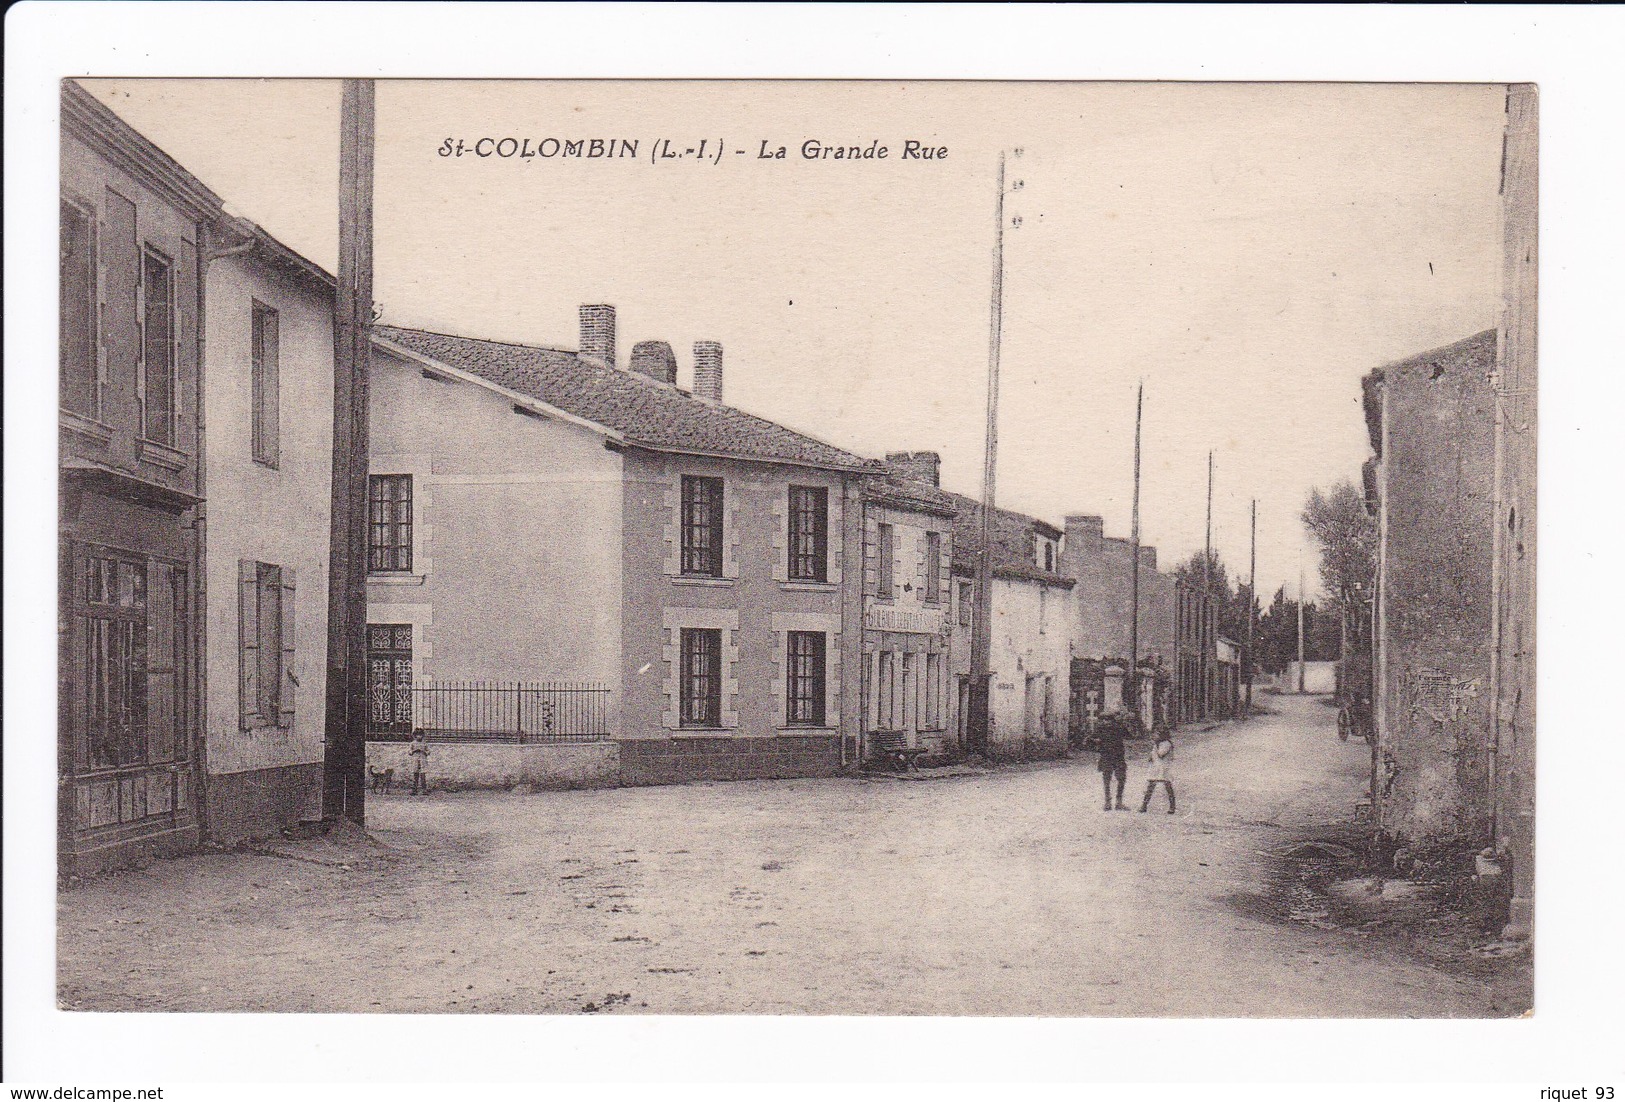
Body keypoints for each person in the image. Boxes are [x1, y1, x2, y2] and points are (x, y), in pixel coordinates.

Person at [1096, 717, 1128, 811]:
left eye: (1109, 720)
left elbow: (1128, 735)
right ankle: (1109, 802)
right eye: (1105, 720)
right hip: (1108, 757)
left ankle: (1117, 802)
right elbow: (1090, 739)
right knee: (1108, 779)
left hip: (1117, 757)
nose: (1107, 722)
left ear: (1113, 721)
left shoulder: (1118, 728)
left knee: (1120, 779)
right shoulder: (1100, 729)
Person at [1139, 734, 1176, 814]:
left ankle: (1172, 806)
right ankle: (1144, 806)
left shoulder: (1166, 744)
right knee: (1150, 786)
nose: (1153, 736)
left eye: (1156, 734)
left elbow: (1161, 754)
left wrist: (1155, 748)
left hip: (1164, 768)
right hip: (1156, 768)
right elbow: (1151, 758)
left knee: (1168, 786)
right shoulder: (1157, 744)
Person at [409, 729, 430, 796]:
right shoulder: (412, 743)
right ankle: (414, 790)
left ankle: (424, 790)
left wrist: (424, 751)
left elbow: (428, 751)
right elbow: (409, 752)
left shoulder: (424, 743)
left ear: (422, 736)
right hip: (415, 760)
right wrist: (414, 751)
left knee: (423, 775)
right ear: (415, 736)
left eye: (420, 735)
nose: (419, 736)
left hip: (423, 760)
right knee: (415, 775)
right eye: (417, 735)